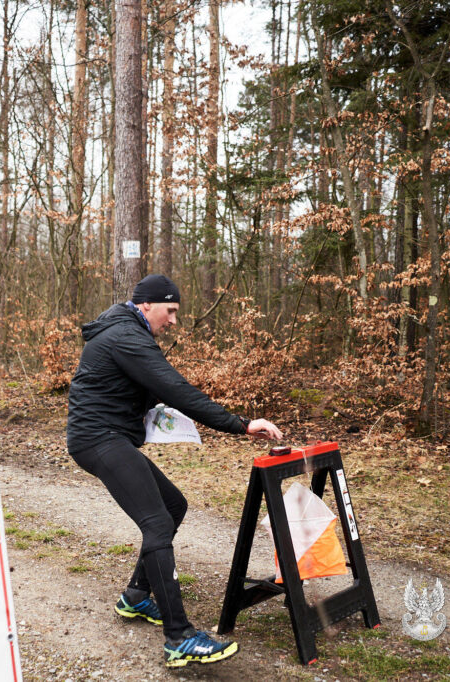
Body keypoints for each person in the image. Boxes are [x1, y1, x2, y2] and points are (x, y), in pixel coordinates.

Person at [66, 274, 283, 668]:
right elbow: (175, 388)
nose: (173, 320)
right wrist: (240, 424)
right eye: (170, 311)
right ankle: (179, 637)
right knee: (156, 523)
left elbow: (146, 389)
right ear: (146, 304)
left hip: (107, 436)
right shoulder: (126, 337)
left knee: (172, 506)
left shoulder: (126, 331)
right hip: (99, 439)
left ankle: (136, 596)